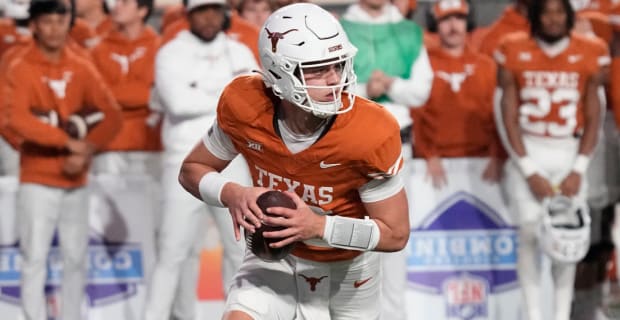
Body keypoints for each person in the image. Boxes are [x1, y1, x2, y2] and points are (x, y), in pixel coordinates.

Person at [178, 3, 410, 320]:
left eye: (338, 65)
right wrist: (234, 193)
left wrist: (318, 226)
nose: (334, 80)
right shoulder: (246, 105)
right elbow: (192, 170)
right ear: (278, 72)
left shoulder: (369, 132)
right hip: (274, 260)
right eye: (317, 69)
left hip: (348, 269)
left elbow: (395, 234)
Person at [0, 0, 122, 318]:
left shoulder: (81, 65)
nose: (54, 28)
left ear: (69, 22)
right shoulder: (19, 65)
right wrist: (70, 143)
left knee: (76, 257)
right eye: (47, 21)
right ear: (35, 25)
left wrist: (87, 150)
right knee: (34, 257)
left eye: (60, 20)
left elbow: (112, 115)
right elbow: (17, 119)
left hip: (76, 177)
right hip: (37, 177)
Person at [495, 0, 609, 319]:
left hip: (568, 150)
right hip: (530, 148)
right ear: (535, 16)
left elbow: (594, 113)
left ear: (570, 16)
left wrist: (579, 168)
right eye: (546, 12)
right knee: (530, 234)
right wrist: (528, 169)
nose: (554, 19)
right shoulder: (513, 48)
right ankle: (533, 314)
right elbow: (507, 113)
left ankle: (560, 315)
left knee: (568, 241)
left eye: (560, 12)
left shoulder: (591, 50)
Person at [143, 0, 256, 318]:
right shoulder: (171, 52)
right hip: (183, 161)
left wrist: (201, 91)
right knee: (172, 252)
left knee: (241, 251)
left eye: (215, 10)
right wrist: (225, 96)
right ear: (188, 14)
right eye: (201, 10)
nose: (209, 17)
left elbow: (250, 104)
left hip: (232, 161)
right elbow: (177, 102)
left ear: (225, 14)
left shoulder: (240, 52)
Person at [339, 0, 432, 318]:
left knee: (393, 237)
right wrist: (367, 88)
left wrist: (390, 84)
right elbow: (331, 86)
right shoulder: (340, 28)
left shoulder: (409, 32)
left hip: (398, 145)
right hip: (350, 145)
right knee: (349, 237)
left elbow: (421, 91)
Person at [412, 0, 502, 189]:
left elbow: (497, 115)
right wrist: (427, 154)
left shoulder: (487, 65)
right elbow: (417, 114)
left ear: (468, 21)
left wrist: (497, 155)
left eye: (459, 18)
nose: (453, 26)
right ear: (434, 24)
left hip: (483, 161)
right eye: (445, 20)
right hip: (433, 164)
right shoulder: (422, 63)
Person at [89, 0, 162, 176]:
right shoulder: (97, 49)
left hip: (149, 142)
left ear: (142, 11)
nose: (115, 6)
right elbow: (94, 97)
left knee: (148, 203)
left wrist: (116, 95)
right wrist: (141, 96)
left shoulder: (160, 47)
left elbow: (158, 96)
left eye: (125, 2)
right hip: (108, 144)